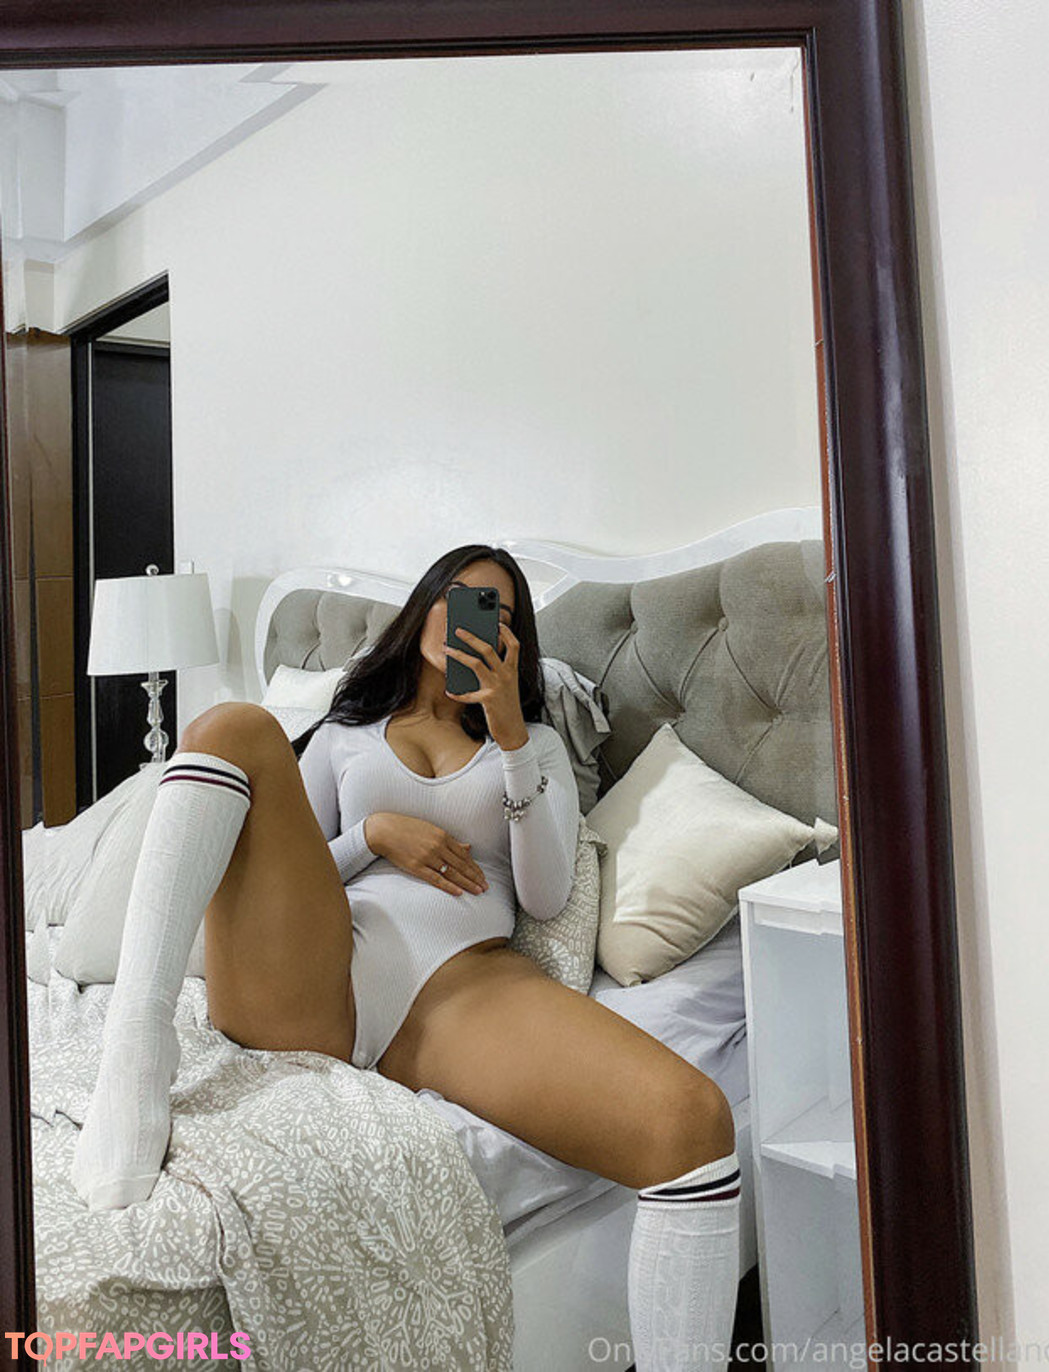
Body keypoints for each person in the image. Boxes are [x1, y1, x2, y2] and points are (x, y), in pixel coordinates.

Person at [70, 544, 742, 1369]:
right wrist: (374, 835)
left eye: (494, 613)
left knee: (691, 1123)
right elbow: (282, 867)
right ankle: (136, 1053)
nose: (468, 620)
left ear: (513, 642)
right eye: (455, 596)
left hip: (460, 988)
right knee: (232, 727)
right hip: (313, 974)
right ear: (423, 605)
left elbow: (543, 894)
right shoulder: (344, 736)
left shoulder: (530, 745)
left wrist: (510, 739)